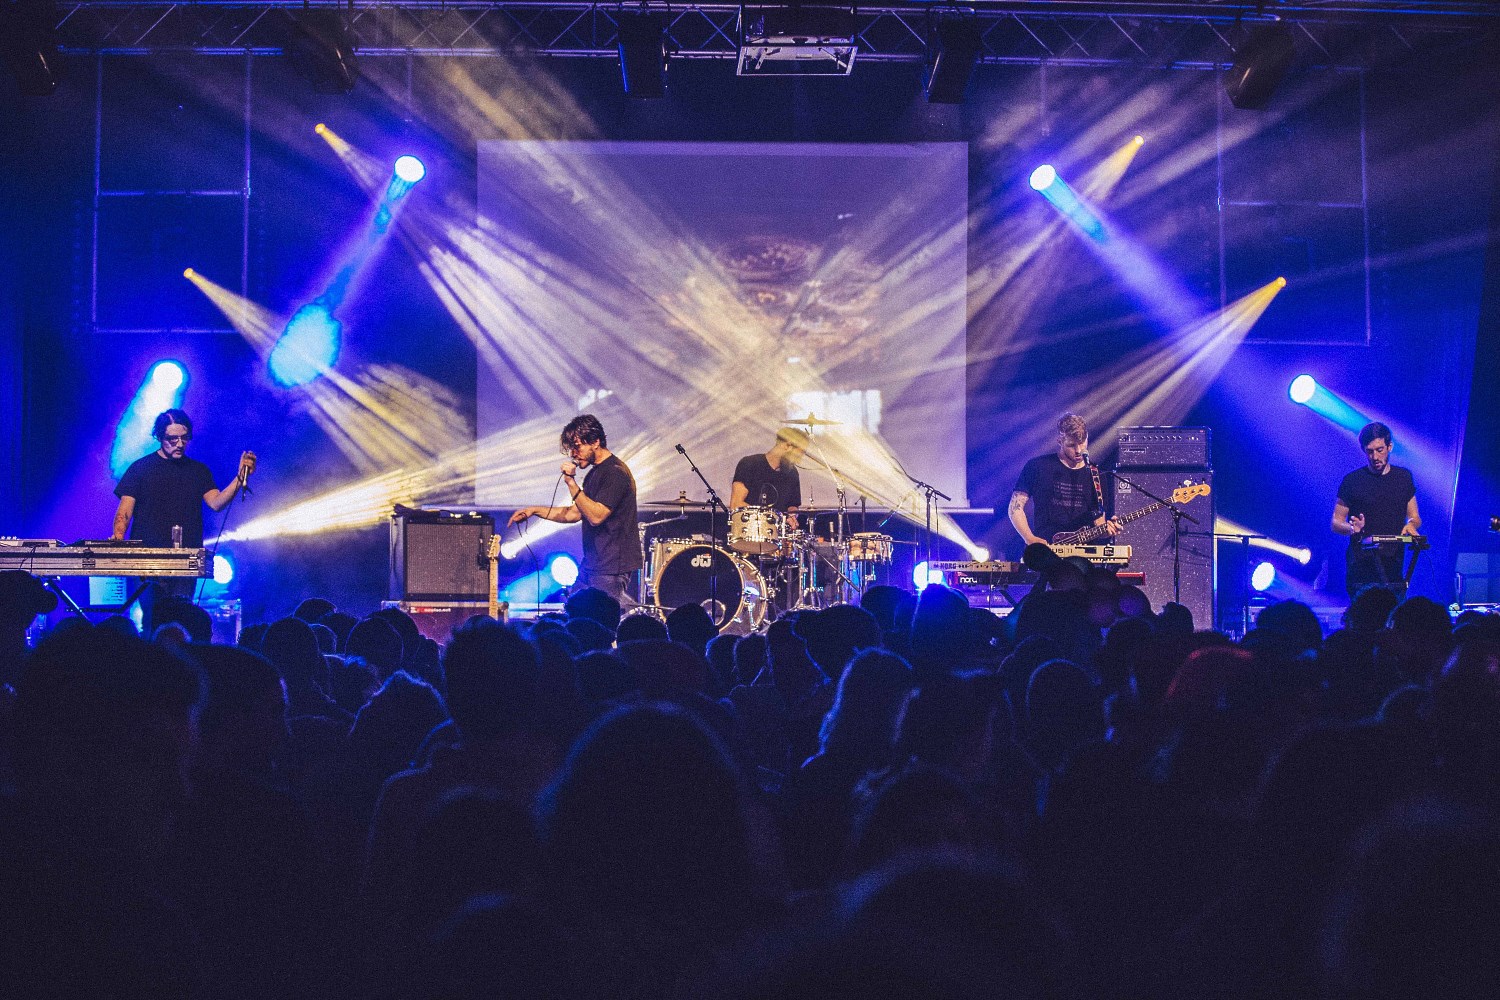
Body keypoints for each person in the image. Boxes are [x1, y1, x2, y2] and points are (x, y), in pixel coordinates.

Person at [111, 409, 256, 615]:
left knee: (180, 617)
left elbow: (216, 503)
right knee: (152, 618)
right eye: (172, 438)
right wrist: (118, 536)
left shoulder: (198, 471)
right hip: (147, 559)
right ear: (160, 437)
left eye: (184, 438)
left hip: (186, 558)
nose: (180, 444)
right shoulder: (140, 468)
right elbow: (124, 511)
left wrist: (240, 477)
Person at [508, 414, 640, 605]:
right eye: (571, 449)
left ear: (595, 441)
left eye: (577, 447)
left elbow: (596, 516)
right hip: (593, 564)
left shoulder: (615, 472)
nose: (573, 454)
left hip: (611, 566)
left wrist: (570, 482)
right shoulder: (595, 473)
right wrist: (534, 510)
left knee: (598, 623)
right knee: (574, 612)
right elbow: (575, 513)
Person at [1332, 421, 1420, 599]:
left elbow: (1414, 516)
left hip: (1393, 562)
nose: (1375, 456)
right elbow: (1335, 522)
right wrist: (1351, 529)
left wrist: (1411, 525)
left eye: (1380, 450)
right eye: (1370, 451)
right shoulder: (1352, 480)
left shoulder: (1403, 477)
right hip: (1361, 564)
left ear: (1390, 447)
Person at [1009, 413, 1118, 547]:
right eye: (1071, 445)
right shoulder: (1038, 466)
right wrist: (1029, 538)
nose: (1078, 450)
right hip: (1047, 550)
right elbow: (1015, 508)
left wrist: (1106, 530)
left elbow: (1099, 524)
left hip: (1084, 555)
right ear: (1060, 441)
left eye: (1082, 443)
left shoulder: (1097, 475)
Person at [731, 427, 808, 520]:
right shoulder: (749, 464)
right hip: (750, 530)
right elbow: (736, 504)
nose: (801, 456)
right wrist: (768, 520)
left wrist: (792, 516)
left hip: (779, 531)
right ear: (787, 446)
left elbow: (792, 506)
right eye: (801, 451)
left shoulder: (792, 472)